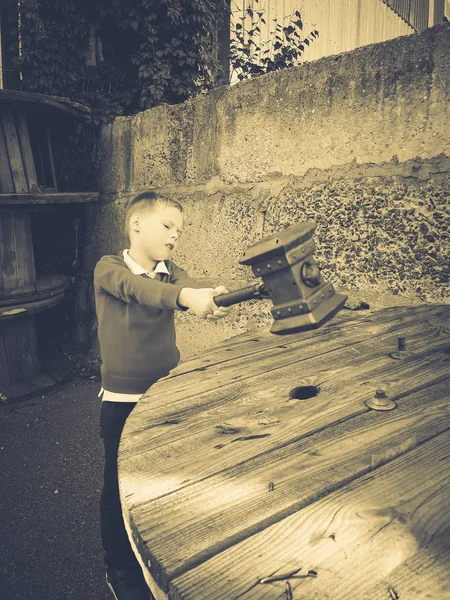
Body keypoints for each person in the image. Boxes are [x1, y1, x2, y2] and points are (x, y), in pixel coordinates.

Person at [93, 191, 232, 600]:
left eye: (180, 231)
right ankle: (120, 567)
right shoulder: (109, 268)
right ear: (136, 223)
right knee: (117, 488)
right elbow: (139, 290)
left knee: (165, 478)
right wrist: (186, 297)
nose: (175, 237)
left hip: (165, 394)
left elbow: (189, 287)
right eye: (168, 226)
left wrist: (211, 296)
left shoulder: (173, 272)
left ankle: (165, 555)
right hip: (122, 401)